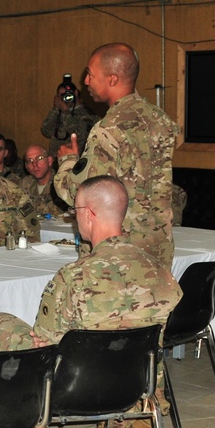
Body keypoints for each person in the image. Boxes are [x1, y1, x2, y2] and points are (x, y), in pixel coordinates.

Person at [0, 175, 181, 428]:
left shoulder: (74, 277)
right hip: (138, 385)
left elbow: (42, 340)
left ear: (89, 215)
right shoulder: (162, 272)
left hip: (74, 391)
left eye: (74, 212)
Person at [54, 43, 181, 268]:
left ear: (112, 79)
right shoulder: (160, 120)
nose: (85, 82)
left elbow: (77, 192)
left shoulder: (108, 129)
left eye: (90, 75)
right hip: (156, 248)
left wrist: (68, 161)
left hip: (116, 256)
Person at [41, 80, 99, 155]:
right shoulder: (58, 112)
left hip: (74, 160)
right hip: (56, 160)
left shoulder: (87, 114)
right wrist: (55, 109)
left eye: (67, 94)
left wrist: (65, 113)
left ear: (76, 93)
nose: (65, 98)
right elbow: (46, 131)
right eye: (61, 95)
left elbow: (81, 136)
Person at [19, 145, 67, 219]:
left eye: (40, 158)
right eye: (30, 161)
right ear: (26, 167)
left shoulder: (63, 183)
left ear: (49, 161)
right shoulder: (24, 184)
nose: (35, 164)